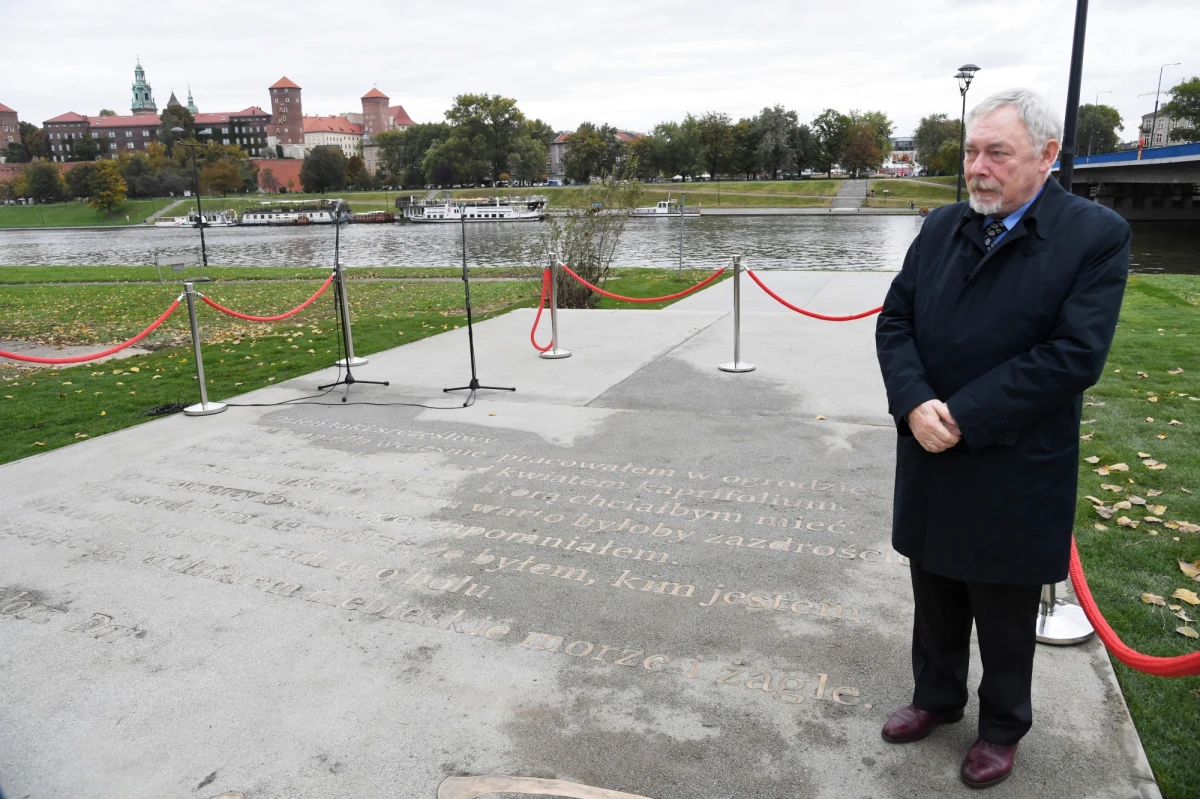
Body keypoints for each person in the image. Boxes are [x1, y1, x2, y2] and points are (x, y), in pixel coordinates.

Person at [875, 88, 1130, 789]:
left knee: (1005, 607)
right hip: (928, 448)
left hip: (1013, 459)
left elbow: (1074, 355)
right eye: (970, 151)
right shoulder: (940, 228)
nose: (976, 168)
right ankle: (936, 697)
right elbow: (895, 322)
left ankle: (1001, 727)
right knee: (934, 587)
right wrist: (914, 400)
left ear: (1048, 156)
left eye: (996, 153)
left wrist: (962, 413)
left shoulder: (1093, 234)